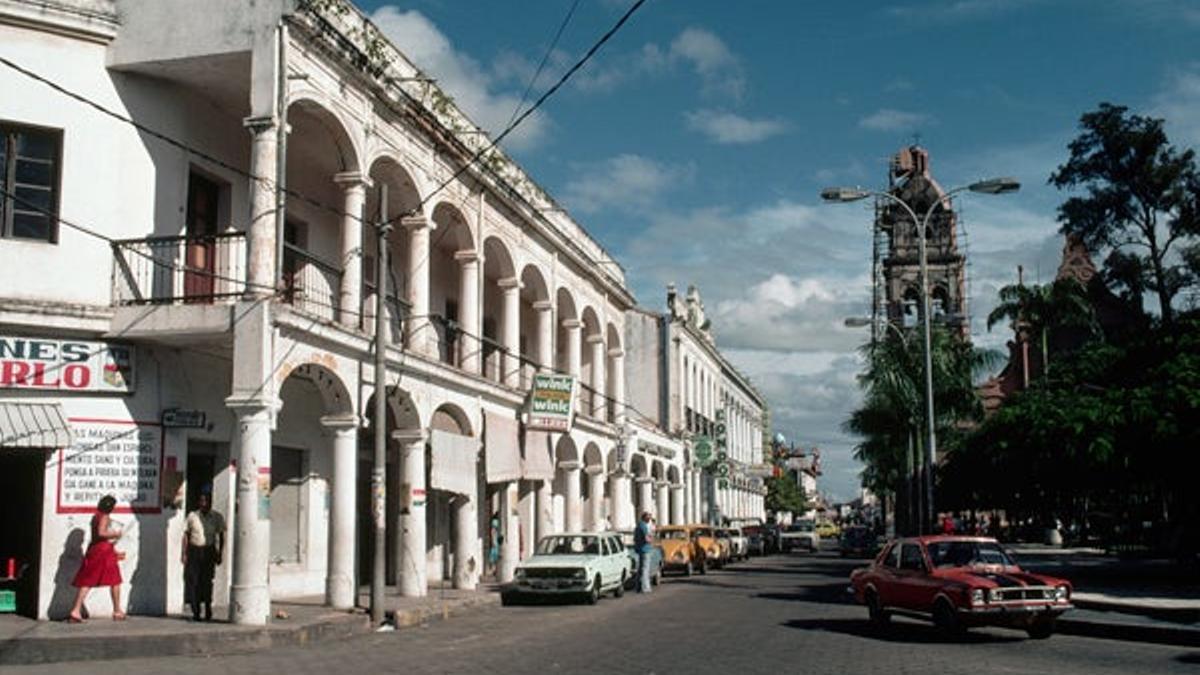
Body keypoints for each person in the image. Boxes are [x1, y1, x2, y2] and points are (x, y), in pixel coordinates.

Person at [67, 494, 124, 622]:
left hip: (95, 550)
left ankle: (76, 610)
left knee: (87, 581)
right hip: (104, 552)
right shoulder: (104, 517)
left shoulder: (96, 516)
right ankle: (117, 611)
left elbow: (97, 535)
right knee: (115, 580)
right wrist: (115, 533)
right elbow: (101, 533)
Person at [182, 491, 225, 621]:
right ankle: (196, 611)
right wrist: (184, 553)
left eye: (206, 501)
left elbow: (221, 536)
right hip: (195, 550)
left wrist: (220, 553)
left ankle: (207, 608)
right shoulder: (192, 516)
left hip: (209, 551)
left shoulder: (217, 517)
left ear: (210, 502)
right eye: (202, 501)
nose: (204, 503)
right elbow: (186, 535)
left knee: (207, 581)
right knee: (193, 581)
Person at [634, 511, 654, 593]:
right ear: (645, 518)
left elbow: (635, 538)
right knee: (645, 569)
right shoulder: (644, 527)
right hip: (645, 549)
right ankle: (645, 588)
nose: (650, 519)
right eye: (648, 517)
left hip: (640, 549)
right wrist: (651, 539)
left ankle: (638, 586)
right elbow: (647, 538)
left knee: (640, 569)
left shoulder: (638, 526)